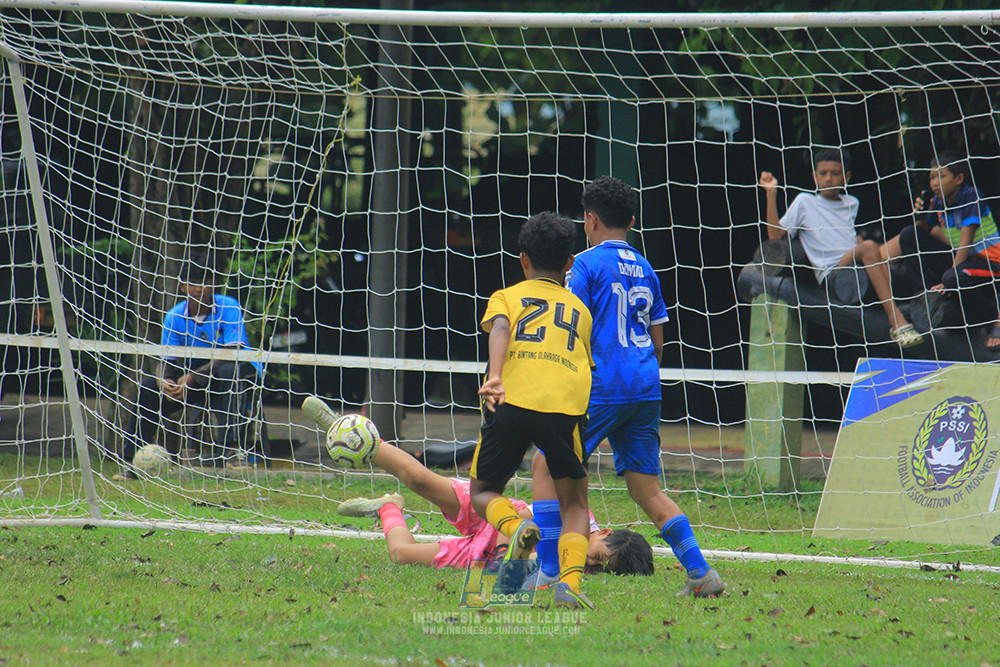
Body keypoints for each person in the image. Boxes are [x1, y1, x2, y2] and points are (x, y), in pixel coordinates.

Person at [529, 175, 725, 599]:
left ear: (590, 219)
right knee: (646, 489)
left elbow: (570, 320)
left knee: (546, 464)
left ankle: (548, 571)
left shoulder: (584, 264)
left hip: (604, 384)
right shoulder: (647, 268)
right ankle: (700, 572)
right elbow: (657, 340)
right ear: (632, 221)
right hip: (646, 385)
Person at [300, 394, 654, 576]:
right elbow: (531, 509)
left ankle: (387, 506)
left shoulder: (570, 568)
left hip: (483, 556)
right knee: (418, 478)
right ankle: (350, 433)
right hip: (496, 512)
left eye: (595, 570)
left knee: (401, 555)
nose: (588, 567)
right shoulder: (580, 518)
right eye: (595, 558)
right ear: (602, 531)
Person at [471, 212, 597, 610]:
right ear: (569, 264)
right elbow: (585, 363)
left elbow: (502, 327)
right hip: (563, 409)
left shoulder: (506, 296)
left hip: (511, 400)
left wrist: (495, 375)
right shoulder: (580, 310)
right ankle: (571, 587)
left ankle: (515, 524)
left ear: (523, 259)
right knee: (575, 503)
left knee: (483, 491)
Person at [758, 148, 923, 348]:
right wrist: (771, 193)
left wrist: (861, 244)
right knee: (869, 247)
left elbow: (847, 236)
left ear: (846, 177)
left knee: (912, 233)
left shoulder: (852, 203)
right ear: (814, 176)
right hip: (834, 271)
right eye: (823, 174)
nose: (828, 179)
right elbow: (775, 236)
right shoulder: (805, 202)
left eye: (835, 174)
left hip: (857, 258)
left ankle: (925, 300)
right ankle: (897, 321)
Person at [120, 255, 262, 475]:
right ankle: (132, 461)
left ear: (213, 284)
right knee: (149, 388)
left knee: (229, 371)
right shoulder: (174, 317)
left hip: (236, 372)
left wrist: (192, 377)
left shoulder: (229, 307)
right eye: (192, 283)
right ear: (182, 285)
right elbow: (166, 359)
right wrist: (163, 381)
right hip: (196, 378)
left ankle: (233, 450)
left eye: (205, 282)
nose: (199, 288)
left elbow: (232, 351)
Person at [881, 151, 1000, 348]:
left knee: (952, 277)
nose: (934, 183)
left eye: (940, 176)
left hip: (990, 262)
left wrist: (949, 276)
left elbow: (966, 242)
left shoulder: (971, 196)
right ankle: (925, 296)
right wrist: (922, 212)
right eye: (931, 177)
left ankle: (991, 316)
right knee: (908, 235)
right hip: (964, 261)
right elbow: (925, 230)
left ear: (959, 179)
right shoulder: (938, 202)